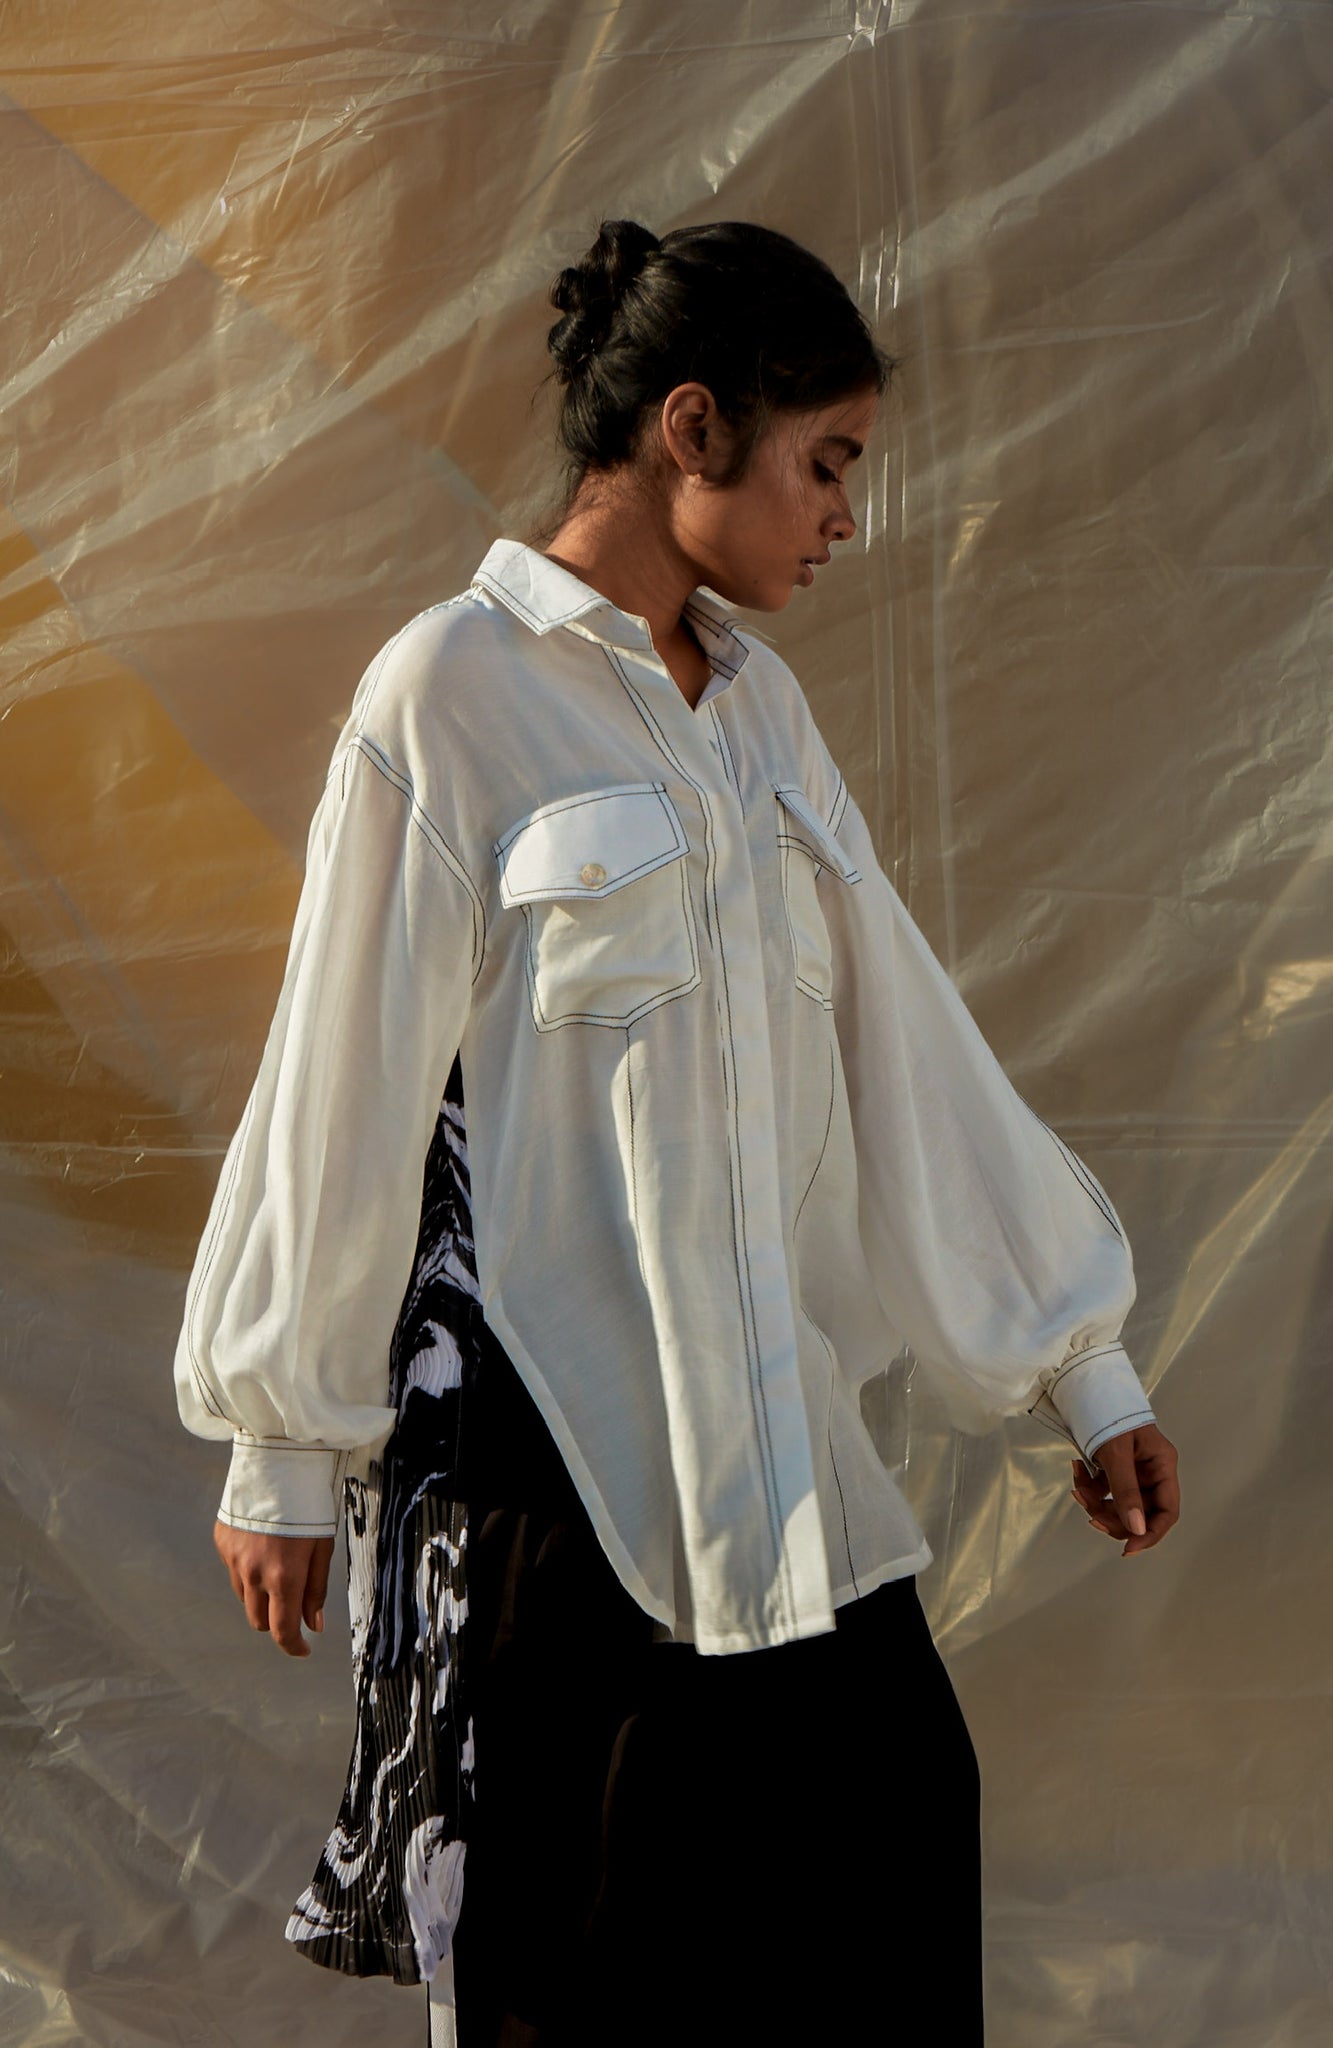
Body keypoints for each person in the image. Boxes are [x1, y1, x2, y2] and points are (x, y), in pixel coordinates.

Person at [175, 217, 1180, 2046]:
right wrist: (281, 1442)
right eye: (828, 461)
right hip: (564, 1499)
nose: (844, 516)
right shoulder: (448, 693)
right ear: (692, 426)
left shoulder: (761, 719)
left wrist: (1078, 1366)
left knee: (887, 1886)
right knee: (585, 1983)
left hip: (791, 1477)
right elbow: (340, 1078)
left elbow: (901, 1038)